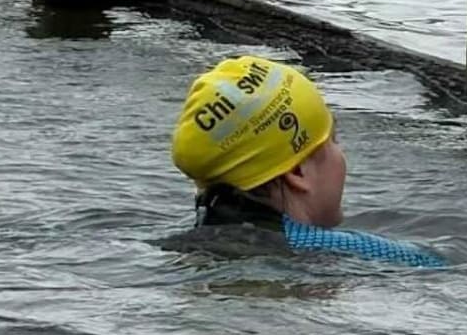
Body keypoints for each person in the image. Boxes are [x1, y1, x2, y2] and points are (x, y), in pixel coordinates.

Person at [169, 55, 446, 268]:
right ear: (298, 171)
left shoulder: (181, 247)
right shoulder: (378, 254)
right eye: (334, 140)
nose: (342, 152)